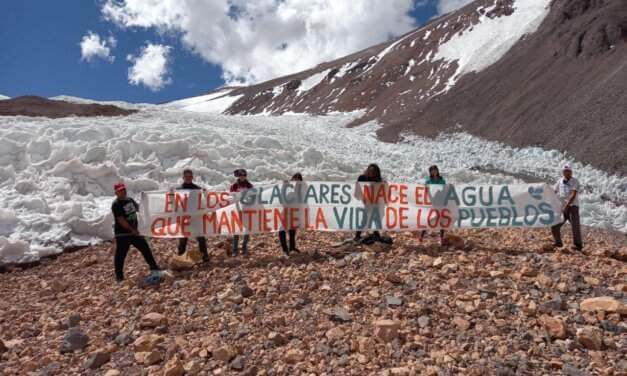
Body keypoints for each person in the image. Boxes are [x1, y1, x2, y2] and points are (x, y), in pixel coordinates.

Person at [111, 182, 162, 282]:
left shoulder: (130, 200)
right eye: (120, 191)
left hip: (134, 232)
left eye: (124, 190)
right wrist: (132, 230)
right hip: (123, 234)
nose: (123, 192)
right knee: (121, 255)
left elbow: (140, 209)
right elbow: (121, 220)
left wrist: (146, 200)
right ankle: (119, 277)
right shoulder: (116, 204)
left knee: (145, 248)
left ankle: (154, 267)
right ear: (116, 193)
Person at [176, 169, 210, 262]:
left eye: (189, 176)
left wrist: (205, 193)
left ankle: (205, 256)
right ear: (183, 177)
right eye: (186, 176)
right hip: (184, 218)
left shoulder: (197, 188)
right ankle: (180, 258)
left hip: (196, 217)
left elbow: (204, 201)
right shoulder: (178, 189)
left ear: (192, 177)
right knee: (183, 239)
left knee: (201, 237)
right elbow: (175, 203)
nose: (188, 178)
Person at [551, 165, 583, 251]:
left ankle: (578, 245)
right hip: (563, 208)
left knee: (575, 226)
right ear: (563, 172)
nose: (567, 172)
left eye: (568, 171)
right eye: (565, 171)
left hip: (573, 207)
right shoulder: (560, 181)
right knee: (555, 225)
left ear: (571, 172)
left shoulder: (575, 181)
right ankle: (558, 243)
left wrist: (567, 205)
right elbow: (554, 191)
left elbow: (573, 194)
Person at [355, 164, 383, 243]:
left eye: (374, 172)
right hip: (365, 201)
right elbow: (358, 190)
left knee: (376, 218)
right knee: (365, 218)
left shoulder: (378, 180)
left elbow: (383, 189)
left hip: (374, 203)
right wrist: (362, 198)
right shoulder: (362, 178)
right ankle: (357, 235)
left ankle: (375, 233)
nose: (372, 173)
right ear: (368, 171)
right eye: (370, 171)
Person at [420, 165, 447, 245]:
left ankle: (441, 238)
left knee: (441, 220)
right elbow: (426, 191)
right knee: (428, 219)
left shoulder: (442, 180)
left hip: (440, 202)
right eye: (432, 170)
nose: (434, 171)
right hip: (431, 202)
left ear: (438, 171)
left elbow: (444, 190)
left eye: (435, 170)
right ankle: (421, 236)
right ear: (430, 172)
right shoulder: (428, 181)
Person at [278, 173, 303, 256]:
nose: (296, 181)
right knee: (282, 230)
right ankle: (285, 250)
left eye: (298, 179)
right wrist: (284, 185)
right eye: (295, 179)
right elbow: (282, 197)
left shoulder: (301, 189)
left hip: (295, 212)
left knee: (292, 230)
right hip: (286, 212)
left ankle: (292, 247)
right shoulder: (288, 188)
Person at [230, 169, 253, 256]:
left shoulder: (249, 185)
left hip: (247, 210)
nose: (242, 176)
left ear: (246, 176)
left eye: (244, 175)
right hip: (237, 210)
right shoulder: (234, 186)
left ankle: (244, 248)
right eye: (240, 175)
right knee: (236, 230)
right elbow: (230, 197)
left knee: (246, 230)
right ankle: (235, 250)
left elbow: (253, 197)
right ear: (238, 176)